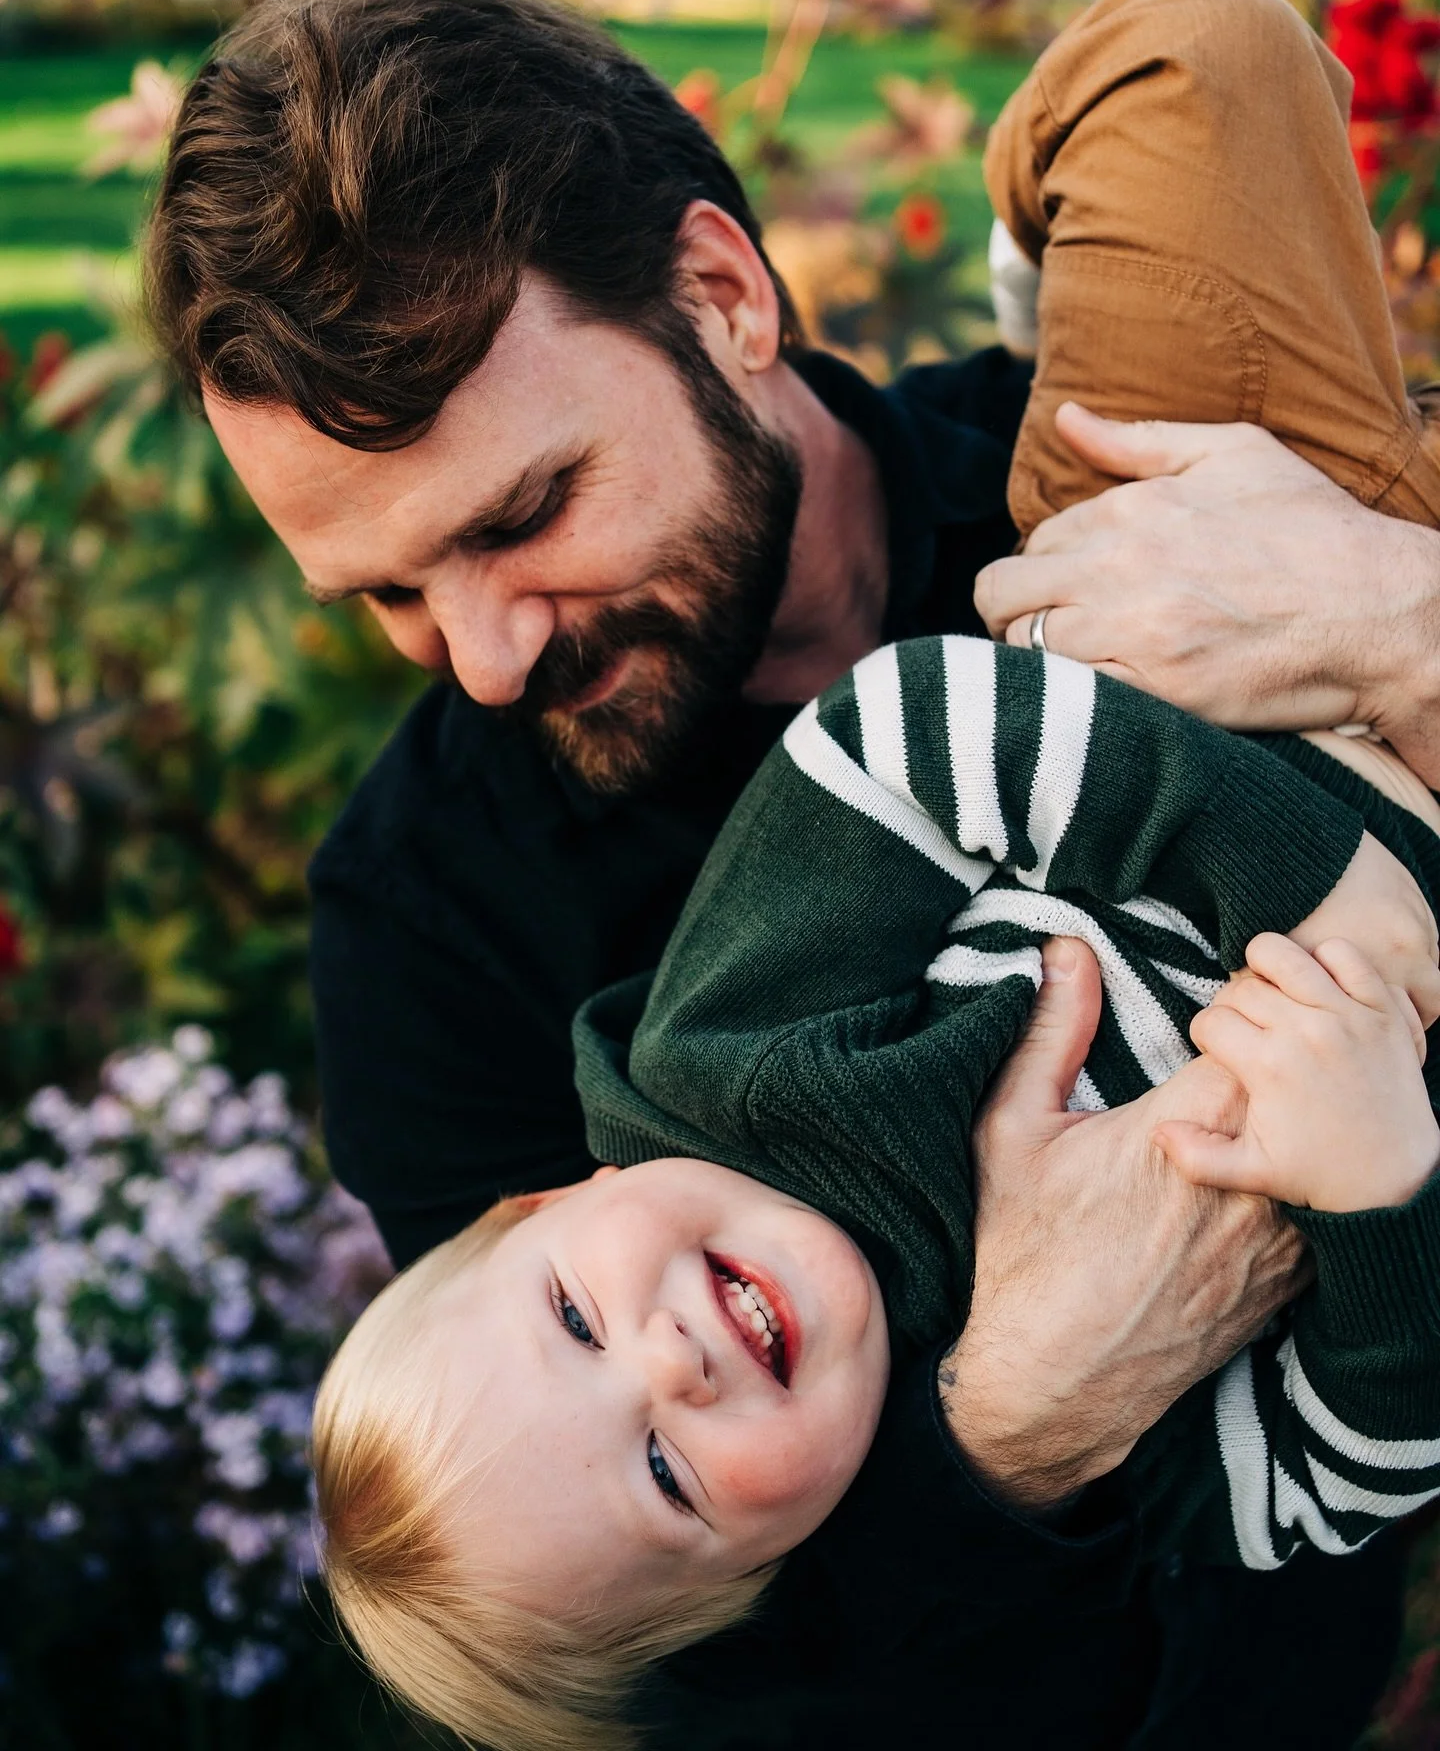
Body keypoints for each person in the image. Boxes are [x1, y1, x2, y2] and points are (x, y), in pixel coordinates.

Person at [143, 0, 1440, 1746]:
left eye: (522, 518)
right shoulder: (437, 928)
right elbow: (707, 1676)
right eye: (385, 592)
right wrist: (1015, 1426)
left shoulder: (1139, 483)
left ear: (722, 296)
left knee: (1196, 59)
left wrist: (1409, 625)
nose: (486, 658)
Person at [310, 621, 1440, 1751]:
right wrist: (1381, 1184)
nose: (669, 1362)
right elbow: (1340, 1473)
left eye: (575, 1318)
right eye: (664, 1475)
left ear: (549, 1200)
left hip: (1306, 715)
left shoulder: (726, 1053)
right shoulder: (1100, 1447)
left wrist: (1317, 888)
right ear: (759, 1574)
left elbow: (908, 731)